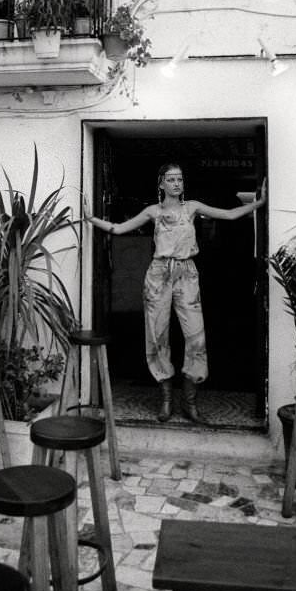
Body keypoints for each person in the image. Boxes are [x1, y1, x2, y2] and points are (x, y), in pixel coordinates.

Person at [84, 163, 267, 423]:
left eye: (179, 179)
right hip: (159, 274)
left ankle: (190, 401)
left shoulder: (191, 207)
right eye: (171, 179)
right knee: (157, 335)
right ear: (161, 184)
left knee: (196, 336)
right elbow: (118, 228)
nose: (176, 183)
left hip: (186, 273)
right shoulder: (153, 211)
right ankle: (166, 400)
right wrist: (91, 219)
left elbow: (228, 215)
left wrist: (259, 204)